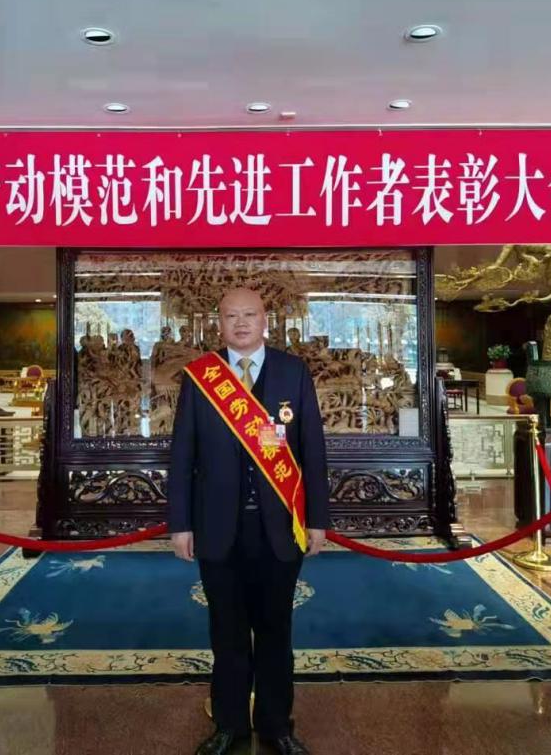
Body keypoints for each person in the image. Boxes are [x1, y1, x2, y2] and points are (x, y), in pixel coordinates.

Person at [169, 288, 329, 755]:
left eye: (250, 315)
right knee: (227, 633)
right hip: (218, 529)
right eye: (231, 316)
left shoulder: (293, 372)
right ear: (218, 323)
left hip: (280, 530)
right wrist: (180, 523)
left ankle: (277, 725)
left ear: (265, 320)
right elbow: (182, 456)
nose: (240, 323)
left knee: (276, 631)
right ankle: (229, 726)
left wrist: (317, 518)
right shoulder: (201, 378)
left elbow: (313, 451)